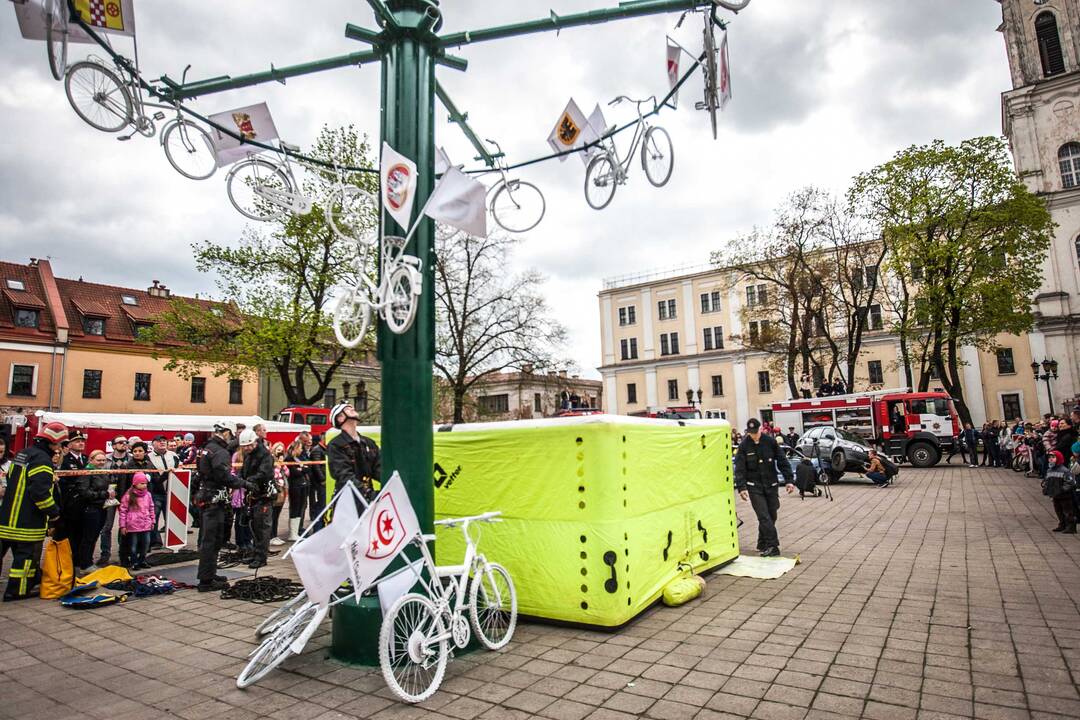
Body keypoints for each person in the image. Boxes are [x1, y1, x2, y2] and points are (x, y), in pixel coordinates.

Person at [0, 422, 66, 600]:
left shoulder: (23, 454)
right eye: (59, 444)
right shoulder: (42, 461)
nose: (59, 448)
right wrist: (54, 512)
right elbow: (40, 493)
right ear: (53, 443)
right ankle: (17, 591)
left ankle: (29, 581)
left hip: (6, 517)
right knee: (25, 559)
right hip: (27, 521)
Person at [734, 418, 795, 557]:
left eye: (755, 432)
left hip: (771, 484)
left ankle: (762, 542)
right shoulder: (744, 445)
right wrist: (742, 487)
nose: (753, 435)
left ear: (760, 429)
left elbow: (782, 461)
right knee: (764, 516)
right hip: (754, 486)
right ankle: (773, 546)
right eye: (751, 433)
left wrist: (789, 480)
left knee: (772, 515)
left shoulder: (770, 442)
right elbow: (740, 468)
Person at [194, 421, 238, 592]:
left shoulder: (207, 447)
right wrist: (244, 484)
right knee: (212, 540)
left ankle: (210, 573)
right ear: (226, 433)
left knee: (212, 539)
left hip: (207, 496)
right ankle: (206, 580)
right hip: (214, 499)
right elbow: (223, 476)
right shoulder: (219, 451)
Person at [327, 403, 382, 504]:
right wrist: (367, 492)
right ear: (340, 418)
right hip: (348, 502)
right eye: (348, 408)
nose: (352, 408)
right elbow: (343, 475)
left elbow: (378, 468)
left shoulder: (368, 443)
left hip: (368, 500)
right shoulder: (336, 445)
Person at [238, 428, 275, 569]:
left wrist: (247, 481)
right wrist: (241, 479)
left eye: (249, 445)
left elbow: (264, 473)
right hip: (253, 495)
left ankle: (261, 557)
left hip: (264, 495)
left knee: (262, 527)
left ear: (254, 442)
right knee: (254, 526)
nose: (247, 448)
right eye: (244, 446)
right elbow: (244, 469)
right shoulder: (249, 455)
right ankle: (255, 553)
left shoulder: (265, 455)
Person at [97, 436, 129, 566]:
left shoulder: (131, 459)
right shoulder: (106, 459)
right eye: (120, 442)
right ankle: (105, 554)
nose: (124, 444)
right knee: (107, 526)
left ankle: (124, 553)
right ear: (114, 445)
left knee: (126, 526)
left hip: (126, 494)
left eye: (126, 442)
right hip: (110, 494)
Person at [56, 432, 89, 557]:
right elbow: (63, 482)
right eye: (77, 441)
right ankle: (68, 559)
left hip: (84, 502)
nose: (81, 443)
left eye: (82, 441)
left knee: (82, 532)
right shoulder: (64, 459)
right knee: (70, 533)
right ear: (69, 445)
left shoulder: (86, 459)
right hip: (70, 503)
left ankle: (78, 558)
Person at [147, 435, 179, 549]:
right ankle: (156, 542)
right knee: (154, 517)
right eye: (159, 441)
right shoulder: (148, 457)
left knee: (173, 517)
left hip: (173, 491)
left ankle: (174, 541)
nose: (162, 443)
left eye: (164, 441)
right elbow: (152, 477)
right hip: (156, 492)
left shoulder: (174, 455)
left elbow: (179, 470)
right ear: (153, 444)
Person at [119, 472, 156, 570]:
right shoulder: (128, 496)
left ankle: (142, 560)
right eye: (142, 483)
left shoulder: (148, 495)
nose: (144, 485)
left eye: (145, 483)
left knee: (146, 544)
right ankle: (134, 561)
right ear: (135, 483)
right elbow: (123, 511)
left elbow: (151, 508)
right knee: (133, 546)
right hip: (133, 525)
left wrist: (153, 521)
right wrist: (123, 526)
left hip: (145, 523)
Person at [1044, 450, 1076, 534]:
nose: (1050, 459)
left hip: (1065, 496)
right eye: (1049, 458)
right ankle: (1062, 524)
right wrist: (1047, 489)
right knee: (1058, 510)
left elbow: (1070, 482)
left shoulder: (1064, 470)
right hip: (1055, 495)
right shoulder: (1049, 470)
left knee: (1068, 511)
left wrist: (1062, 489)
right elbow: (1048, 481)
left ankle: (1071, 526)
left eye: (1053, 457)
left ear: (1058, 459)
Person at [285, 439, 308, 541]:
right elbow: (295, 473)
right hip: (295, 486)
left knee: (300, 508)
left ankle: (295, 532)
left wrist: (302, 468)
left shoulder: (297, 458)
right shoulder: (289, 458)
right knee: (295, 508)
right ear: (295, 448)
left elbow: (307, 469)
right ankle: (292, 533)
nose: (302, 450)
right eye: (300, 448)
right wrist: (302, 468)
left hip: (302, 485)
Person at [269, 442, 288, 546]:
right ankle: (271, 536)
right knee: (272, 514)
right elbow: (274, 474)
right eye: (278, 449)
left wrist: (283, 465)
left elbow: (287, 473)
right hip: (274, 489)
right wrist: (279, 466)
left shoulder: (281, 461)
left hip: (282, 489)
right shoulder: (271, 460)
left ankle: (275, 535)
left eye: (281, 450)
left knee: (277, 514)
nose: (279, 452)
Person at [308, 433, 328, 531]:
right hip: (320, 484)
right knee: (320, 505)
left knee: (323, 505)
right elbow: (316, 467)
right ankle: (318, 528)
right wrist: (323, 480)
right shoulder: (317, 450)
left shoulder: (323, 449)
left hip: (324, 483)